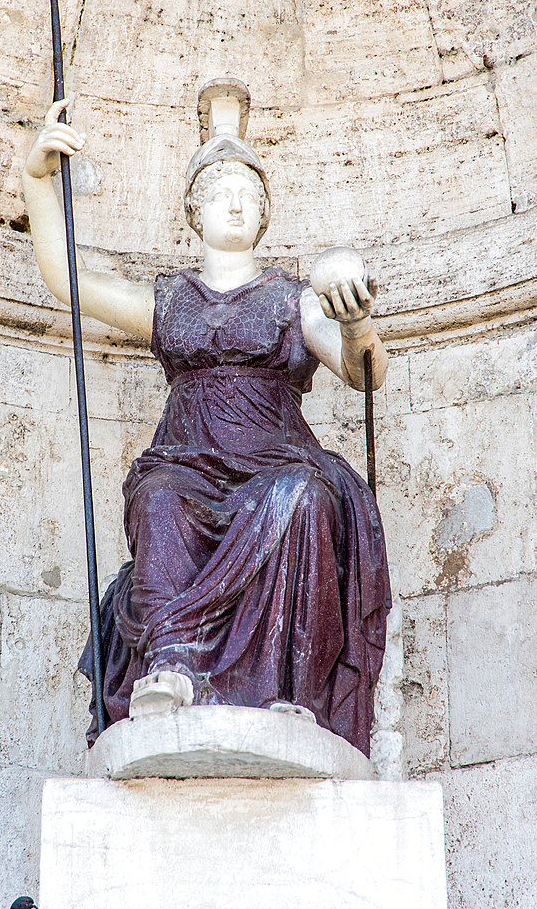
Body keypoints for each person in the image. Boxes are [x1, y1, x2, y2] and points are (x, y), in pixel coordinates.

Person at [22, 84, 391, 758]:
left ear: (264, 213)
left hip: (275, 460)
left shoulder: (293, 299)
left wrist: (357, 321)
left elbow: (362, 372)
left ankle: (295, 693)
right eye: (220, 191)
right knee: (160, 501)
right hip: (186, 461)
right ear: (194, 210)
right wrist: (36, 181)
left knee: (304, 500)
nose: (233, 203)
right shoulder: (169, 301)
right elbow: (65, 281)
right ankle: (170, 668)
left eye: (247, 195)